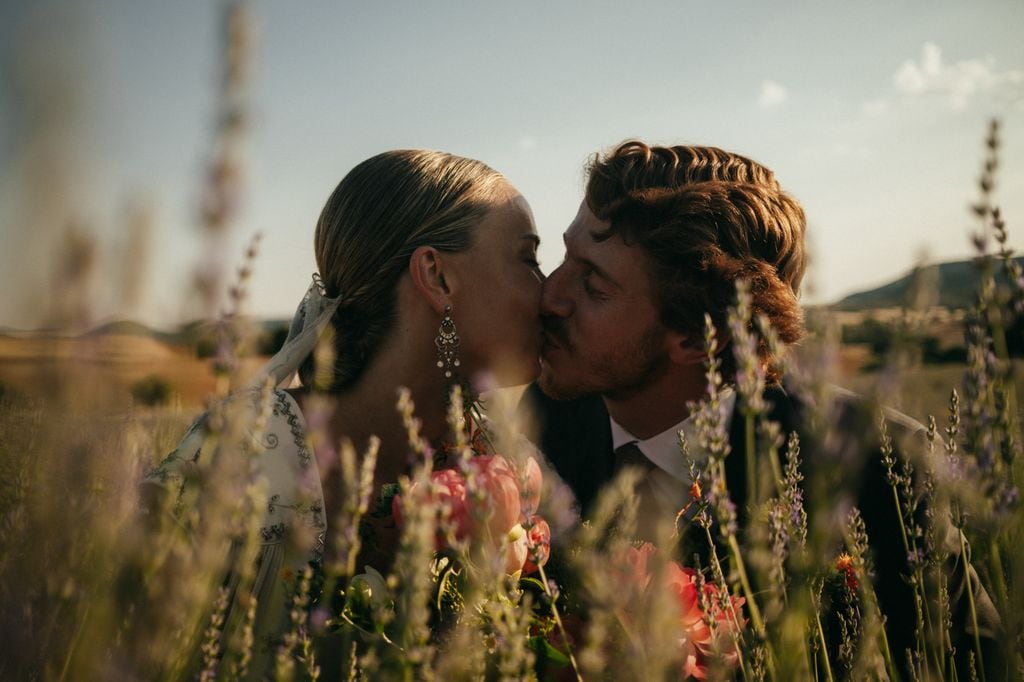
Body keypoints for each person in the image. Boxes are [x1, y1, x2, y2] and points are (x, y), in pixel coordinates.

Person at [521, 140, 1001, 678]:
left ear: (701, 338)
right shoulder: (540, 420)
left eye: (593, 284)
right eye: (565, 257)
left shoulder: (880, 470)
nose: (550, 297)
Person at [142, 149, 547, 676]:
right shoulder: (241, 455)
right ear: (437, 276)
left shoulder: (503, 460)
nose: (551, 291)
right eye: (528, 259)